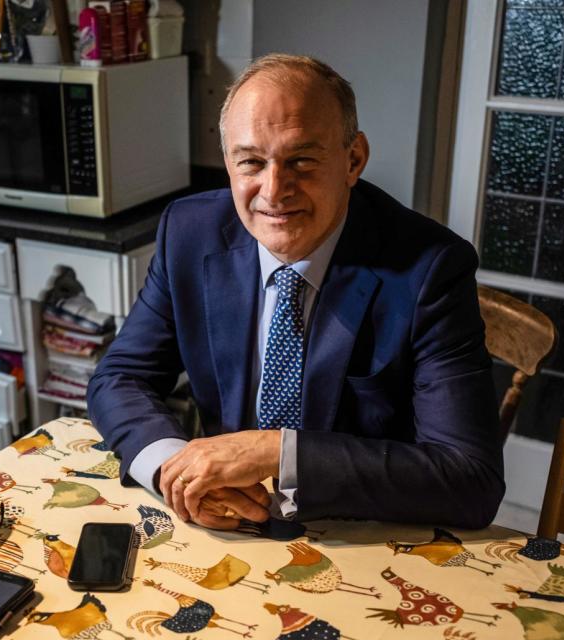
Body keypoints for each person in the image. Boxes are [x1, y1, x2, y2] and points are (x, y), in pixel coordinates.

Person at [86, 53, 504, 531]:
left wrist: (277, 450)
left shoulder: (431, 268)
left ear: (353, 159)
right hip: (222, 520)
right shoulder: (188, 232)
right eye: (250, 163)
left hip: (359, 530)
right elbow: (119, 378)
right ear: (228, 163)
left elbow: (471, 481)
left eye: (301, 160)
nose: (273, 190)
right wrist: (172, 468)